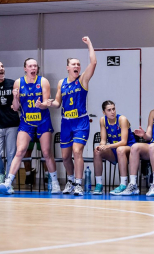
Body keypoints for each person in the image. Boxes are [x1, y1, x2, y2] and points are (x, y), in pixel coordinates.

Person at [0, 58, 61, 194]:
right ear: (25, 68)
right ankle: (8, 182)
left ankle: (55, 182)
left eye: (35, 66)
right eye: (30, 66)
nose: (33, 68)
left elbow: (46, 103)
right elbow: (15, 108)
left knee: (46, 152)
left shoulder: (43, 81)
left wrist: (41, 105)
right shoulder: (18, 83)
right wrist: (15, 98)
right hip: (26, 121)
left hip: (43, 121)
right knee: (20, 151)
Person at [49, 36, 97, 196]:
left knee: (77, 151)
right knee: (65, 156)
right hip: (66, 123)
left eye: (78, 64)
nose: (77, 66)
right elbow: (57, 103)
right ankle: (70, 181)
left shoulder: (83, 80)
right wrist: (48, 103)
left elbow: (94, 63)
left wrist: (89, 44)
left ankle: (78, 183)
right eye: (73, 64)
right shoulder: (61, 83)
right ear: (67, 68)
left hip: (81, 122)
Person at [92, 101, 136, 195]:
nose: (112, 112)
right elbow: (103, 140)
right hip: (115, 149)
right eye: (109, 110)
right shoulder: (103, 120)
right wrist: (101, 146)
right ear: (104, 112)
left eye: (113, 109)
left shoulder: (122, 119)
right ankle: (99, 184)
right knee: (97, 151)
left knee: (120, 149)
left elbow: (124, 142)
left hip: (128, 149)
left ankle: (123, 184)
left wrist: (108, 146)